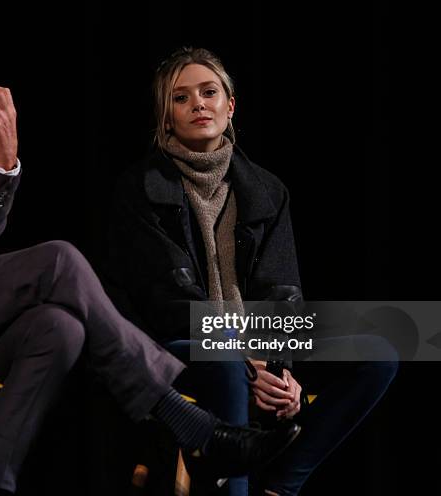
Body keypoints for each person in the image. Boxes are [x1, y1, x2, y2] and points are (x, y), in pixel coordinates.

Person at [0, 3, 305, 495]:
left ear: (232, 106)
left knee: (58, 327)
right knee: (57, 259)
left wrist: (1, 165)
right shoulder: (141, 188)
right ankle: (189, 425)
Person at [106, 47, 398, 495]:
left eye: (209, 92)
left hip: (255, 340)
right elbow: (168, 302)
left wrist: (279, 369)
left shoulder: (267, 189)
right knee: (224, 361)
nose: (199, 104)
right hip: (179, 342)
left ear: (230, 105)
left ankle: (282, 483)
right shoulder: (138, 189)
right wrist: (249, 363)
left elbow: (284, 291)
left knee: (381, 349)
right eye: (181, 98)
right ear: (166, 117)